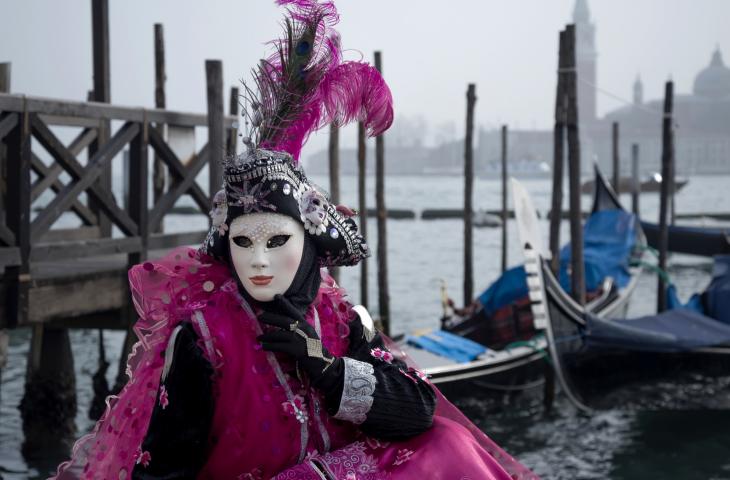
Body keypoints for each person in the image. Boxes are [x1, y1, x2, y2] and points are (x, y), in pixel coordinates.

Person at [53, 1, 537, 478]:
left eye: (276, 239)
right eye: (243, 243)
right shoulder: (201, 339)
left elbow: (418, 411)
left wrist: (328, 369)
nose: (258, 260)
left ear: (309, 243)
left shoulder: (341, 320)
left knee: (448, 444)